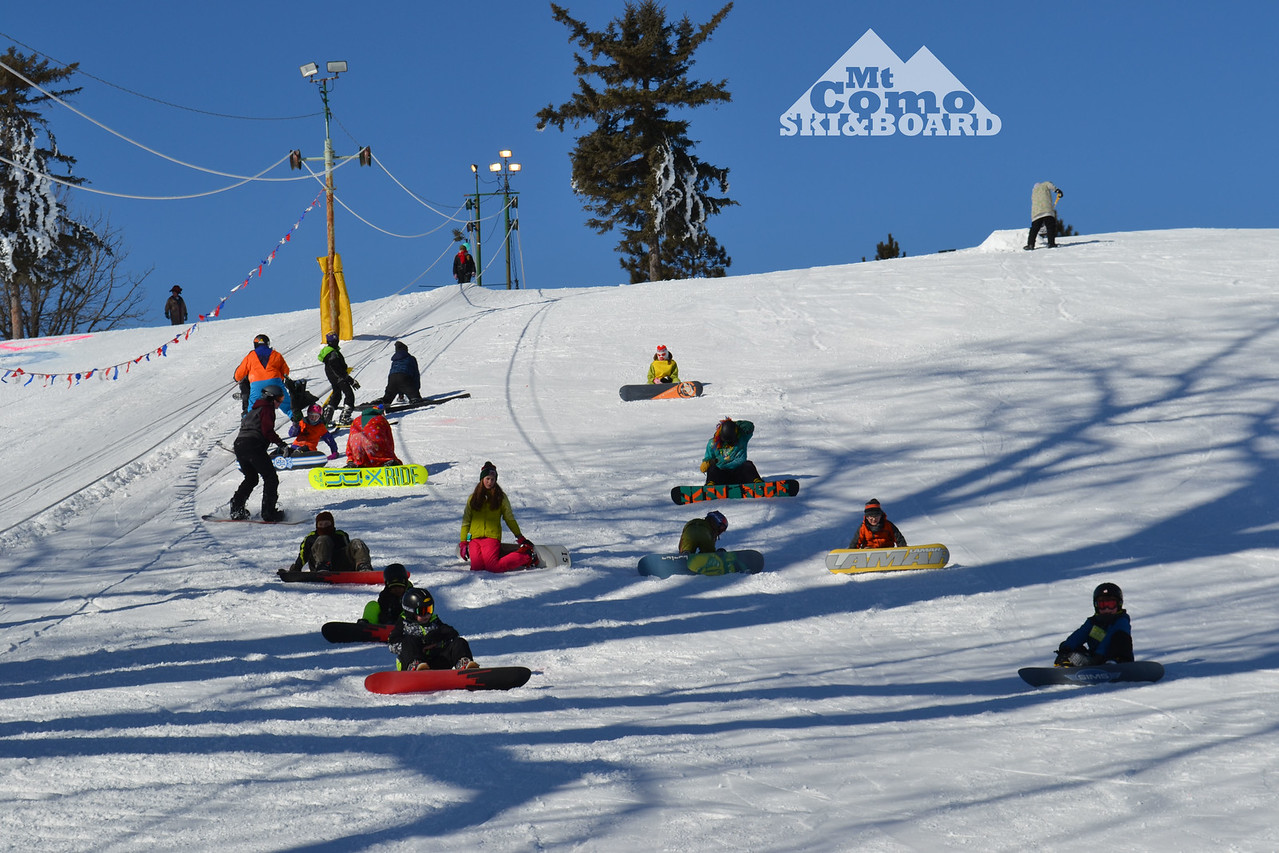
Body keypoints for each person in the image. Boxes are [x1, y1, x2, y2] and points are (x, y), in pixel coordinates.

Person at [459, 461, 537, 572]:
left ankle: (527, 556)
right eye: (487, 479)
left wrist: (519, 537)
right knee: (477, 569)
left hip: (491, 537)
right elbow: (466, 521)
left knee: (493, 567)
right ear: (482, 479)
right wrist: (464, 542)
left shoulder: (501, 497)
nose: (490, 482)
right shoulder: (473, 498)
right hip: (474, 539)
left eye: (493, 479)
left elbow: (509, 518)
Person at [230, 385, 288, 521]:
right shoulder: (267, 409)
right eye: (279, 398)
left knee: (251, 478)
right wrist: (282, 444)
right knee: (270, 478)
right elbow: (267, 431)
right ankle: (269, 513)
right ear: (271, 398)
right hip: (253, 445)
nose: (280, 402)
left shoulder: (254, 409)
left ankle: (236, 509)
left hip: (240, 445)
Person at [388, 587, 478, 670]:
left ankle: (464, 663)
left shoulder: (434, 621)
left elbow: (452, 633)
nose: (427, 615)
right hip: (412, 660)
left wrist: (436, 637)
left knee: (459, 642)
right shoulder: (403, 624)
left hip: (435, 662)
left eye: (429, 610)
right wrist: (421, 643)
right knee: (409, 641)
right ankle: (415, 665)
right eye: (422, 611)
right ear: (410, 612)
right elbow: (392, 644)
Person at [1053, 582, 1134, 667]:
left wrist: (1099, 655)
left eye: (1111, 605)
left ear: (1119, 604)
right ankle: (1069, 666)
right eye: (1102, 605)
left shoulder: (1121, 620)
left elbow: (1108, 639)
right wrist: (1066, 648)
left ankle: (1116, 663)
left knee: (1121, 637)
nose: (1106, 609)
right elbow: (1079, 635)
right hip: (1095, 659)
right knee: (1072, 647)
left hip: (1112, 658)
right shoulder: (1093, 622)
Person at [288, 510, 373, 572]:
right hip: (317, 564)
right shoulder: (311, 537)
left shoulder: (340, 535)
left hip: (339, 565)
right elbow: (303, 555)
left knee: (357, 543)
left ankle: (363, 566)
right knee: (323, 539)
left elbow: (349, 552)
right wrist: (296, 568)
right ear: (317, 525)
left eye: (327, 524)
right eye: (321, 524)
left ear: (332, 524)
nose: (323, 527)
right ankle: (323, 566)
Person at [234, 333, 291, 417]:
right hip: (275, 381)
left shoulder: (250, 356)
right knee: (288, 406)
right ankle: (297, 420)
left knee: (252, 408)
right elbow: (286, 372)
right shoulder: (276, 354)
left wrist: (237, 378)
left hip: (257, 385)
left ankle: (248, 420)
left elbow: (239, 375)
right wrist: (279, 379)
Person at [699, 417, 762, 486]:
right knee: (712, 469)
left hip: (739, 475)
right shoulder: (712, 443)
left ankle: (758, 484)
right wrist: (708, 463)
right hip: (722, 476)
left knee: (748, 465)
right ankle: (710, 486)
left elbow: (750, 426)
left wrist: (733, 424)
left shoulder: (742, 436)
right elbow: (706, 462)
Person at [318, 332, 356, 425]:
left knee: (337, 395)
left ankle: (327, 417)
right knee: (349, 394)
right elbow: (337, 369)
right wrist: (349, 379)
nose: (337, 342)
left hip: (333, 378)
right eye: (335, 341)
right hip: (339, 378)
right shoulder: (333, 354)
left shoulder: (329, 352)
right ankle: (345, 417)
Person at [379, 341, 423, 406]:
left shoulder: (395, 361)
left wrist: (400, 395)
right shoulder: (411, 358)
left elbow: (397, 379)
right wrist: (415, 391)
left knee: (387, 398)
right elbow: (415, 375)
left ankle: (380, 402)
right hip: (404, 377)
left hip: (392, 379)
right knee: (415, 398)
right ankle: (415, 399)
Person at [1025, 181, 1063, 250]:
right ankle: (1051, 243)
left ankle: (1030, 244)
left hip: (1036, 214)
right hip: (1046, 210)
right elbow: (1050, 185)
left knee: (1034, 229)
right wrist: (1057, 190)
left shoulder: (1033, 192)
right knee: (1050, 226)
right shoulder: (1045, 184)